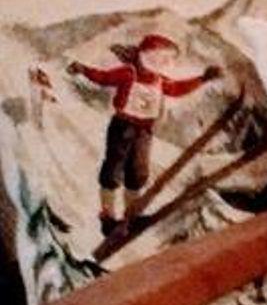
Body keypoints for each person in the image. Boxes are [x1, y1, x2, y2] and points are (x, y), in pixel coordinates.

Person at [68, 34, 222, 234]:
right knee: (113, 170)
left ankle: (131, 217)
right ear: (143, 55)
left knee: (137, 173)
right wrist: (83, 69)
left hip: (144, 131)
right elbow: (104, 78)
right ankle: (108, 217)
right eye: (157, 58)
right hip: (123, 126)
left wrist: (202, 79)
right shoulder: (128, 73)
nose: (161, 63)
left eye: (165, 60)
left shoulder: (159, 80)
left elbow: (176, 89)